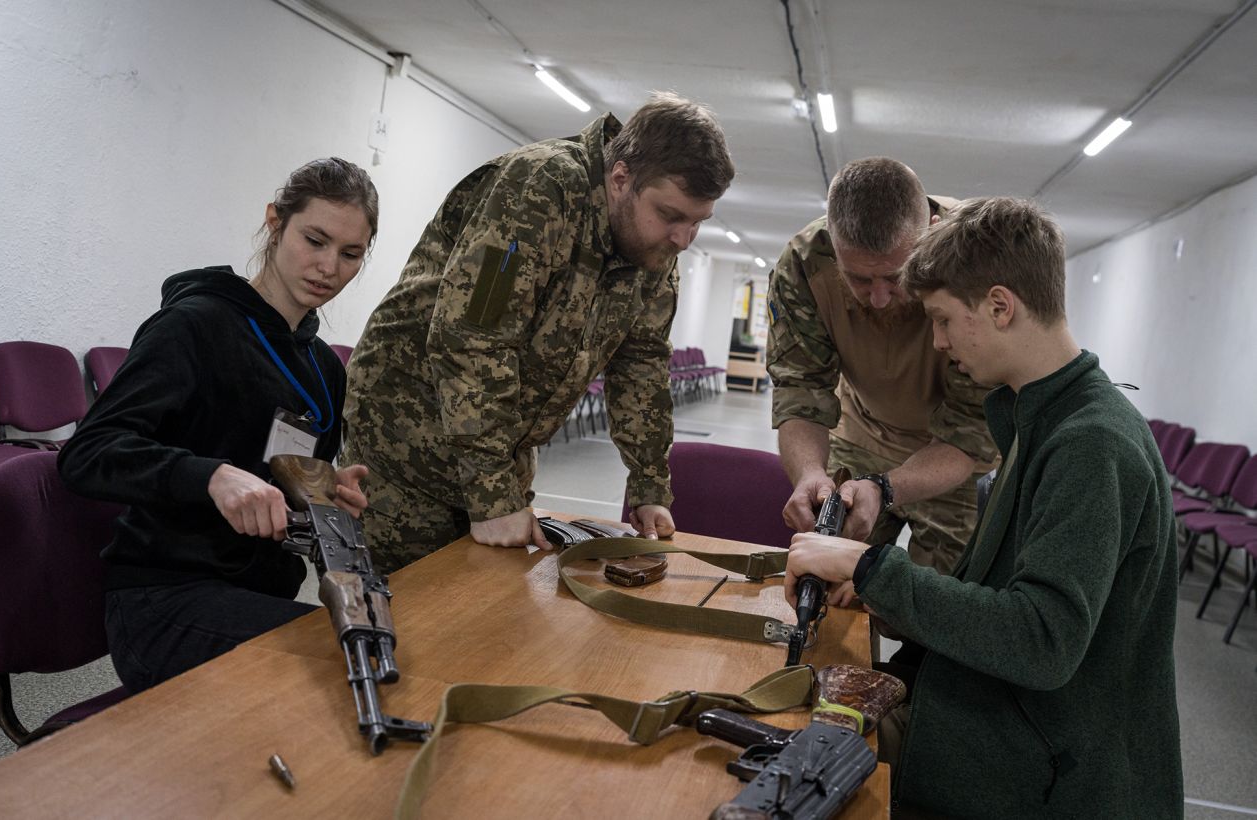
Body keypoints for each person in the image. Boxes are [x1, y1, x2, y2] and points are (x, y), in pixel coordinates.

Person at [784, 197, 1183, 818]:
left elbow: (1040, 640)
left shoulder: (1090, 444)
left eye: (943, 319)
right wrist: (893, 601)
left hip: (1048, 778)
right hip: (1001, 729)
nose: (938, 342)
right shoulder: (1043, 420)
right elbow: (998, 599)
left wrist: (870, 569)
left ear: (1000, 306)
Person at [343, 92, 734, 573]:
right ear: (621, 178)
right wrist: (493, 495)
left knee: (482, 618)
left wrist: (649, 487)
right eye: (671, 215)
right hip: (404, 447)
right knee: (394, 616)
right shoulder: (542, 186)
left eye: (698, 222)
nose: (682, 239)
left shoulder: (653, 255)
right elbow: (471, 339)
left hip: (498, 453)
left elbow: (643, 369)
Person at [58, 158, 377, 693]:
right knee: (337, 664)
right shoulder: (193, 326)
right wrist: (210, 476)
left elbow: (275, 471)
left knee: (371, 645)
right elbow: (88, 452)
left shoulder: (323, 368)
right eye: (315, 240)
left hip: (257, 593)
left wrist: (320, 492)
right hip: (163, 599)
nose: (328, 267)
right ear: (275, 223)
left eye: (350, 255)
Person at [767, 157, 996, 579]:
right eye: (857, 279)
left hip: (957, 462)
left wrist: (887, 488)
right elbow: (800, 390)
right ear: (834, 247)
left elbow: (969, 431)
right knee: (828, 582)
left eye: (895, 277)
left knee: (941, 610)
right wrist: (810, 475)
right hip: (862, 431)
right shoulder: (804, 263)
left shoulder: (977, 263)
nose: (878, 298)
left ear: (928, 228)